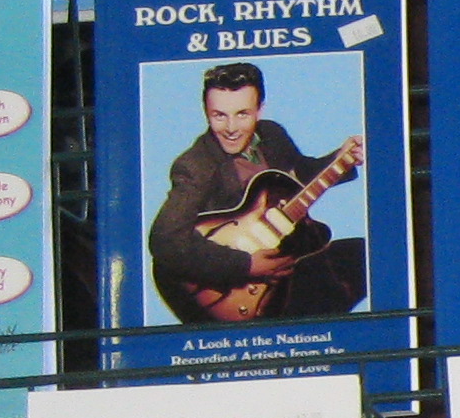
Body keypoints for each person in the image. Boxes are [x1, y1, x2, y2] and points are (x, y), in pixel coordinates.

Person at [145, 60, 368, 321]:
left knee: (369, 256)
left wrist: (339, 159)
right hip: (238, 289)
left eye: (242, 114)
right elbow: (166, 241)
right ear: (206, 112)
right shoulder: (196, 165)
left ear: (260, 109)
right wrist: (246, 265)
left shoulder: (272, 135)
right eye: (219, 115)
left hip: (285, 259)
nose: (230, 128)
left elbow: (295, 180)